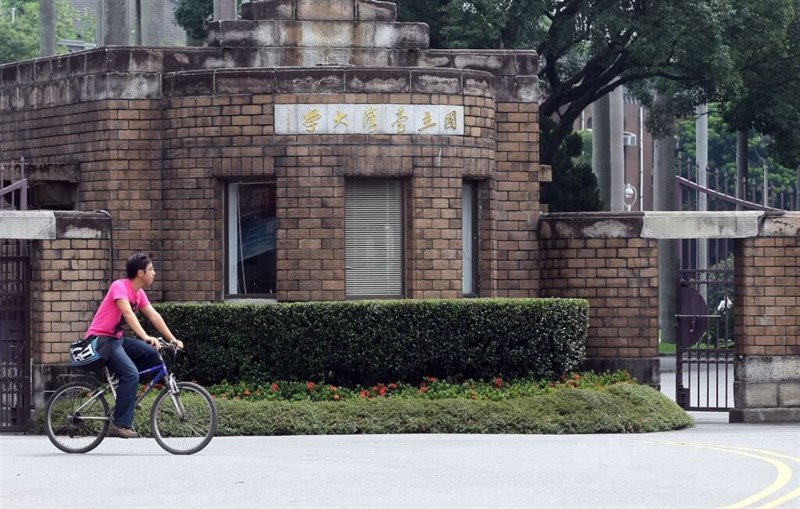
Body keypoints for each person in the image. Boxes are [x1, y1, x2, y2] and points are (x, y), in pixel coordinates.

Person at [84, 252, 184, 439]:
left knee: (151, 354)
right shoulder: (119, 286)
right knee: (131, 374)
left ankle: (128, 394)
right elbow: (128, 314)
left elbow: (154, 316)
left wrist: (172, 339)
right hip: (101, 340)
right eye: (151, 269)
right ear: (140, 272)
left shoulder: (140, 294)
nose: (154, 272)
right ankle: (119, 423)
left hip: (116, 339)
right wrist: (146, 336)